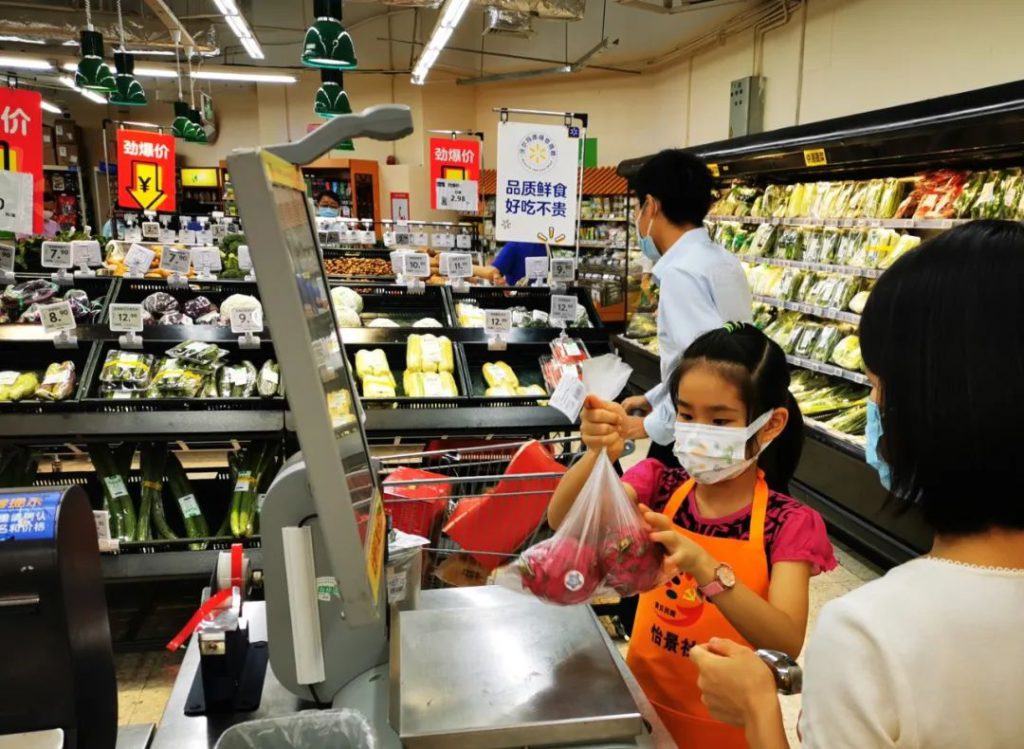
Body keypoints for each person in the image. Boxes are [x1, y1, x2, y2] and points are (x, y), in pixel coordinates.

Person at [691, 220, 1024, 748]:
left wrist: (757, 708)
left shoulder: (873, 635)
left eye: (876, 384)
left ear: (931, 408)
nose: (873, 406)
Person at [548, 323, 835, 749]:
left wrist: (703, 565)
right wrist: (595, 456)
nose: (698, 431)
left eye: (720, 420)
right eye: (686, 415)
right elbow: (564, 518)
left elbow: (784, 640)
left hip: (726, 728)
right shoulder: (658, 485)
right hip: (642, 713)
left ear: (770, 425)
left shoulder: (789, 523)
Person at [620, 150, 753, 464]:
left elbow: (698, 369)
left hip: (697, 433)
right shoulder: (721, 260)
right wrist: (653, 398)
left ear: (651, 206)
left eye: (639, 207)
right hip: (727, 420)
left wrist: (648, 426)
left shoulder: (681, 274)